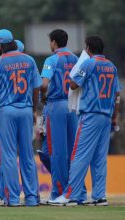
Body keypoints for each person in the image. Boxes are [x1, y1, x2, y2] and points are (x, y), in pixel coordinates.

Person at [49, 36, 121, 206]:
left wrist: (71, 74)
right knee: (99, 158)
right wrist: (114, 117)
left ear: (88, 48)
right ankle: (99, 196)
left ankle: (70, 196)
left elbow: (73, 85)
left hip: (90, 115)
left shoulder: (89, 63)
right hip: (106, 116)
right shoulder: (112, 66)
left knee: (78, 155)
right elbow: (117, 94)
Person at [0, 29, 41, 206]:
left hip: (6, 110)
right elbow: (36, 87)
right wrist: (33, 110)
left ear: (1, 45)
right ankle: (32, 198)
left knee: (9, 156)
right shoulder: (29, 60)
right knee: (27, 154)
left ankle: (13, 198)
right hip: (25, 109)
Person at [40, 29, 87, 203]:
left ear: (53, 42)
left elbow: (44, 84)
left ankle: (58, 193)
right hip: (73, 106)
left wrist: (41, 96)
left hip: (57, 105)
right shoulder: (76, 59)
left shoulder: (51, 59)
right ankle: (77, 192)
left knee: (57, 152)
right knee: (74, 151)